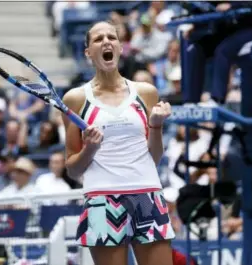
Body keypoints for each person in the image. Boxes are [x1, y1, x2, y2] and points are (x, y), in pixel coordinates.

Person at [62, 21, 175, 265]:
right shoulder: (76, 99)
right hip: (101, 201)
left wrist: (156, 125)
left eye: (111, 37)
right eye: (98, 39)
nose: (106, 42)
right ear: (88, 52)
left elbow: (153, 158)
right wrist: (90, 149)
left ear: (120, 47)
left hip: (147, 195)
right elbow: (72, 168)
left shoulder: (146, 92)